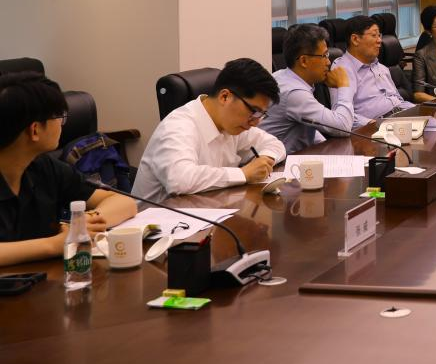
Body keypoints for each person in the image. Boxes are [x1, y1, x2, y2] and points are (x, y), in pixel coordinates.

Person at [0, 73, 137, 266]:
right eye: (59, 117)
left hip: (45, 278)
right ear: (35, 130)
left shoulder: (43, 167)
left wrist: (86, 222)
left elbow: (124, 202)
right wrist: (54, 244)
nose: (62, 124)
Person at [133, 59, 286, 203]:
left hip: (209, 210)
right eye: (254, 111)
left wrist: (264, 160)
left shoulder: (232, 123)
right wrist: (244, 173)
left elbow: (274, 144)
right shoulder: (178, 126)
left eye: (261, 114)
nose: (256, 122)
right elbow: (180, 181)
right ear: (225, 97)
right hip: (160, 218)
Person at [260, 24, 354, 154]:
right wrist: (344, 86)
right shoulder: (294, 93)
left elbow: (308, 128)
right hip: (278, 163)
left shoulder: (283, 76)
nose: (328, 62)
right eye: (324, 55)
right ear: (304, 61)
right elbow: (343, 127)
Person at [331, 15, 409, 124]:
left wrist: (416, 110)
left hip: (402, 116)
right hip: (378, 125)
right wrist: (371, 124)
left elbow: (397, 99)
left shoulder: (380, 67)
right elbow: (341, 115)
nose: (380, 40)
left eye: (379, 35)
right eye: (374, 35)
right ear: (355, 39)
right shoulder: (342, 69)